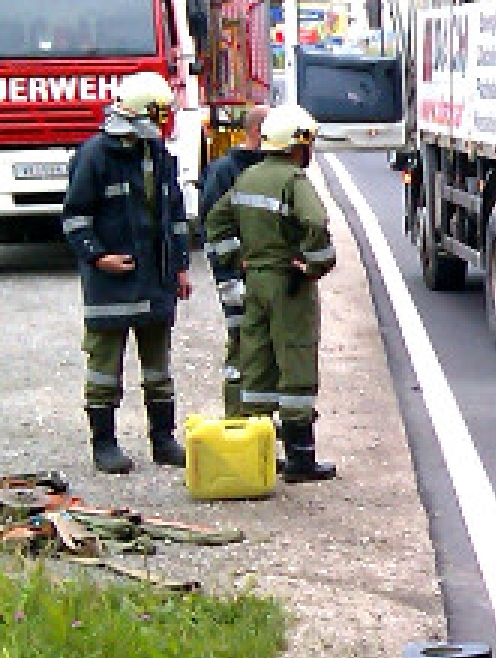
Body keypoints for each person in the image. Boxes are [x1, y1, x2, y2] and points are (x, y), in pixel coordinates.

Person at [60, 71, 193, 473]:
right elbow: (74, 218)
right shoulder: (95, 155)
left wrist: (181, 267)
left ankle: (163, 441)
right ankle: (104, 445)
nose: (165, 120)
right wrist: (98, 257)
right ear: (141, 112)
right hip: (111, 285)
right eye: (160, 112)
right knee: (104, 370)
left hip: (154, 282)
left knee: (158, 369)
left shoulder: (157, 154)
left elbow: (174, 217)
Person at [204, 104, 339, 482]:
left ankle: (257, 452)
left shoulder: (247, 178)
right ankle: (300, 458)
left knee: (257, 363)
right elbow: (314, 221)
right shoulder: (292, 180)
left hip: (255, 284)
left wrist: (236, 258)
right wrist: (315, 264)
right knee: (295, 359)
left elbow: (216, 221)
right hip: (287, 284)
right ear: (298, 145)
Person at [200, 105, 271, 417]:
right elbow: (213, 225)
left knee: (265, 346)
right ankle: (238, 415)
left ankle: (259, 417)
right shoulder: (223, 171)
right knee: (243, 344)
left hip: (264, 273)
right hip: (234, 276)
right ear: (256, 131)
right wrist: (238, 260)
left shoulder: (269, 167)